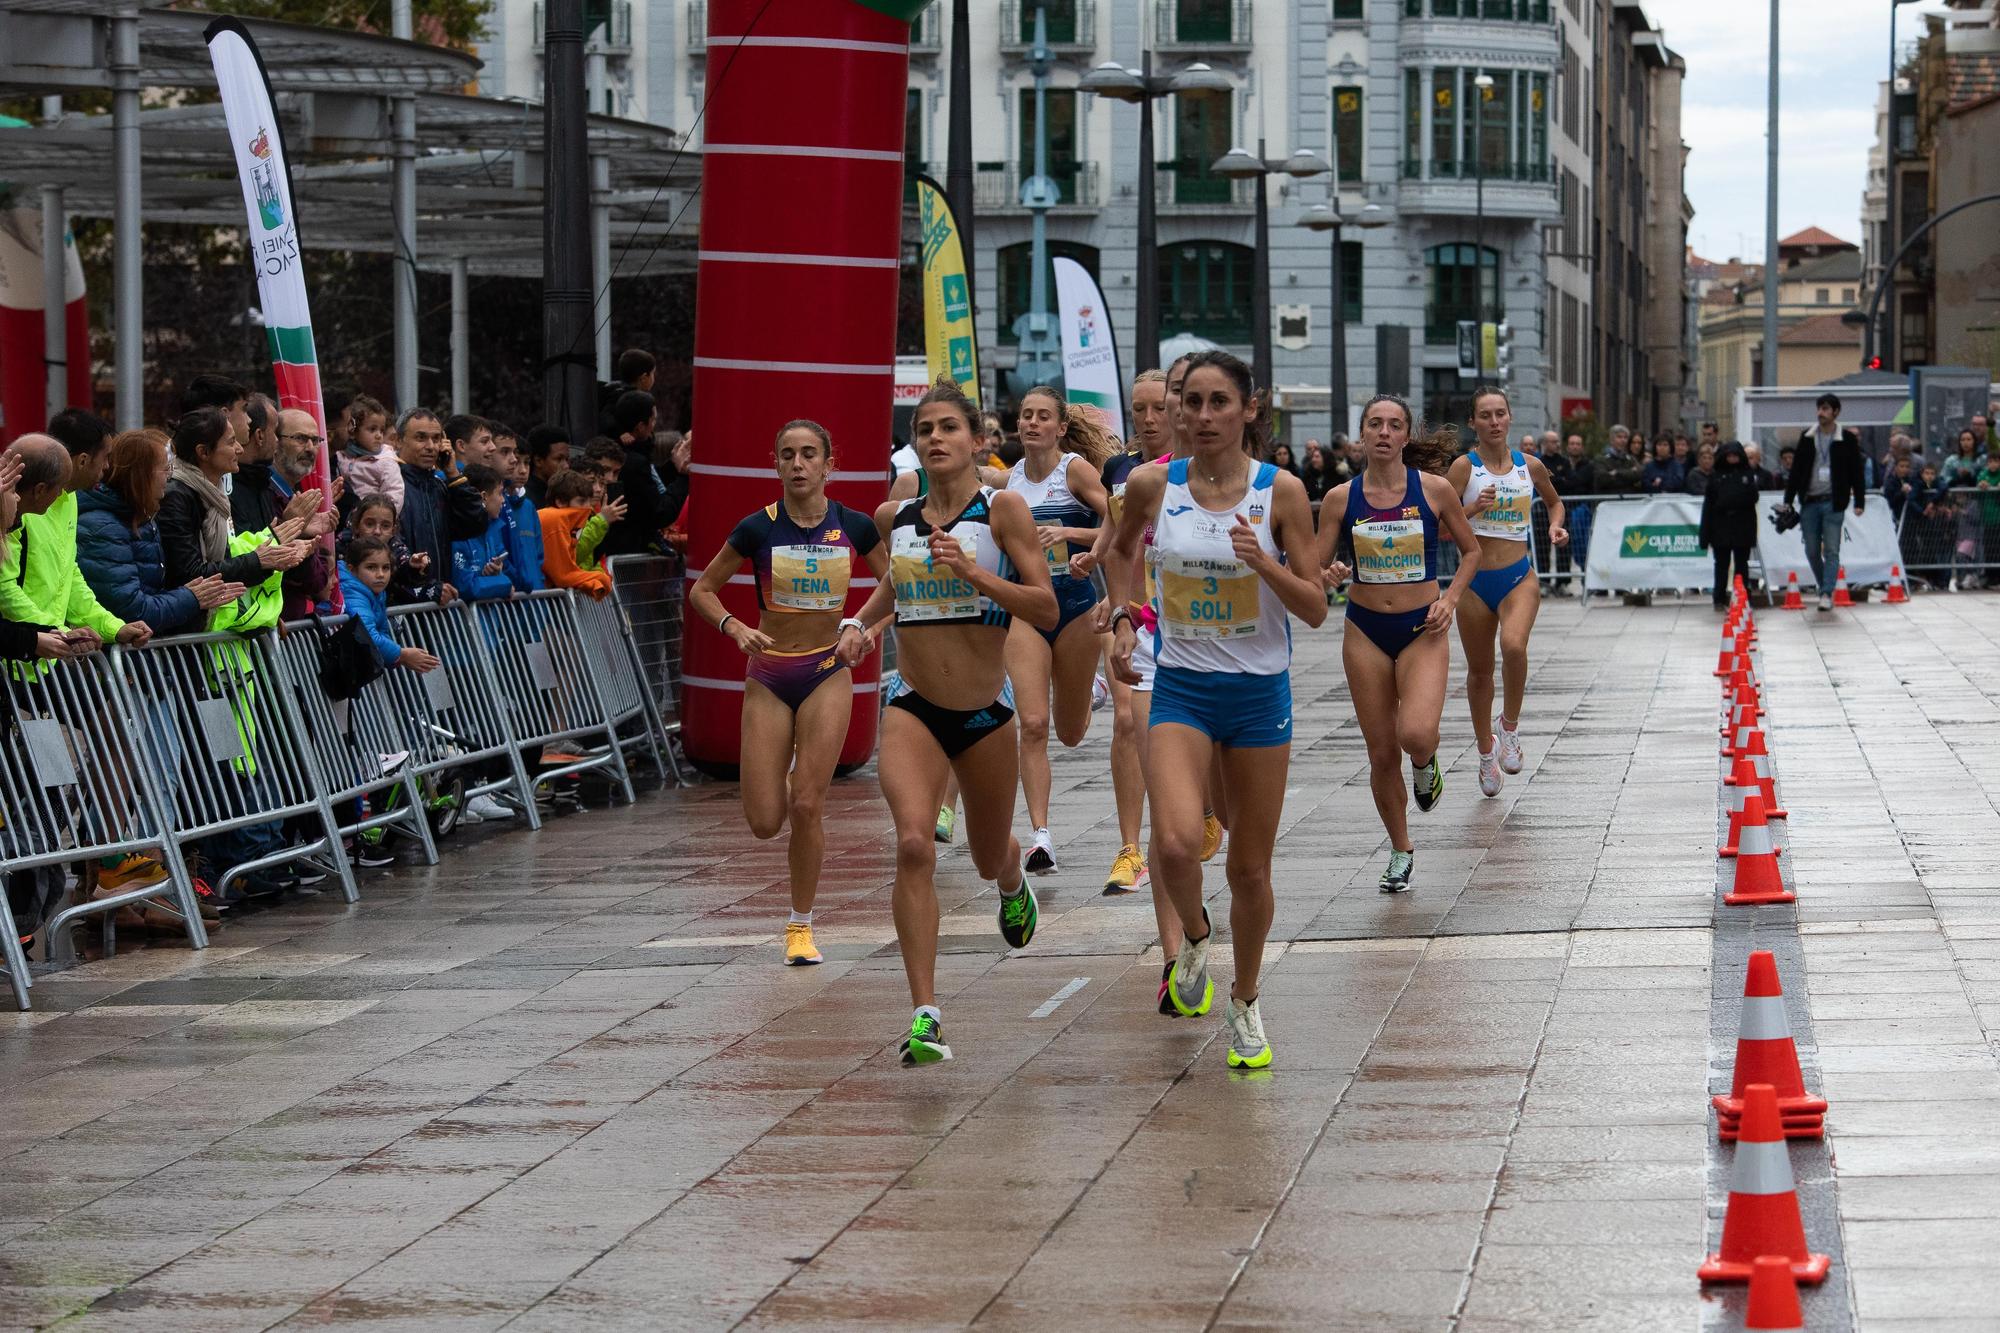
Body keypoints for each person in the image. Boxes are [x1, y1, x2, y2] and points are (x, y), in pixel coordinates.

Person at [1106, 350, 1328, 1070]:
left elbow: (1316, 607)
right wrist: (1124, 617)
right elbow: (1118, 553)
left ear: (1248, 409)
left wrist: (1265, 564)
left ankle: (1246, 999)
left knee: (1250, 870)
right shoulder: (1153, 484)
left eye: (1218, 402)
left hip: (1259, 696)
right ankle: (1195, 938)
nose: (1202, 416)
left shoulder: (1280, 492)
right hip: (1183, 688)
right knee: (1175, 844)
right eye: (1192, 402)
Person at [842, 378, 1058, 1065]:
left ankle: (1011, 881)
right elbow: (895, 584)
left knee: (989, 853)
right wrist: (860, 624)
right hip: (912, 704)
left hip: (985, 712)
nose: (935, 437)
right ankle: (926, 1014)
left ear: (976, 440)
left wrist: (974, 574)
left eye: (948, 427)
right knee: (914, 844)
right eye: (924, 429)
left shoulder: (1003, 510)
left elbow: (1045, 606)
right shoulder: (896, 516)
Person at [688, 421, 890, 967]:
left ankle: (800, 925)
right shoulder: (757, 527)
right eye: (787, 455)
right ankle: (775, 771)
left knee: (807, 803)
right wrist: (734, 626)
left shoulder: (855, 525)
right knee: (764, 822)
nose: (798, 464)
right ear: (775, 465)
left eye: (808, 454)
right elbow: (703, 590)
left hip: (826, 671)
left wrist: (864, 628)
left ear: (829, 464)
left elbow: (901, 585)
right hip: (770, 675)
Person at [1318, 397, 1479, 892]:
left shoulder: (1433, 489)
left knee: (1415, 733)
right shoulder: (1340, 498)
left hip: (1422, 629)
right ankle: (1400, 849)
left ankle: (1426, 763)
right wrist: (1329, 573)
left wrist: (1450, 599)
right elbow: (1312, 567)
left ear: (1406, 436)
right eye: (1375, 424)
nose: (1384, 432)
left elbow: (1472, 551)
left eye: (1394, 425)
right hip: (1365, 630)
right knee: (1382, 753)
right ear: (1362, 434)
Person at [1005, 383, 1115, 877]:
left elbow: (1121, 522)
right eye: (1026, 415)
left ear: (1061, 427)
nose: (1032, 423)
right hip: (1027, 610)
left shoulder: (1074, 471)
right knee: (1032, 724)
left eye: (1042, 416)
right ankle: (1041, 837)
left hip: (1074, 608)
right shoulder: (1008, 483)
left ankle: (1091, 689)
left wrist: (1071, 534)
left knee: (1070, 734)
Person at [1447, 387, 1566, 798]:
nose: (1494, 422)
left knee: (1514, 646)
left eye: (1500, 413)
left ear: (1510, 417)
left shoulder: (1529, 465)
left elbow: (1555, 503)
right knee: (1480, 672)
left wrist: (1555, 527)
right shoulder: (1463, 468)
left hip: (1518, 576)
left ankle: (1509, 727)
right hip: (1474, 582)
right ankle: (1486, 751)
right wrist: (1471, 509)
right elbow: (1439, 526)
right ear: (1473, 423)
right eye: (1485, 415)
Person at [1093, 369, 1171, 894]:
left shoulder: (1193, 469)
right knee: (1127, 723)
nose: (1148, 419)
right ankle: (1131, 849)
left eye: (1158, 408)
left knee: (1188, 733)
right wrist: (1097, 565)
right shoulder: (1119, 468)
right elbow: (1115, 534)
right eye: (1138, 409)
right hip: (1132, 616)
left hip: (1187, 619)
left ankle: (1200, 809)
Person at [1, 415, 152, 658]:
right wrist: (54, 634)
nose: (107, 467)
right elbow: (5, 591)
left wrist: (111, 627)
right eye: (106, 457)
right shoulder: (20, 509)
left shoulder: (68, 499)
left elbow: (68, 574)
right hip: (20, 658)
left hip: (45, 656)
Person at [77, 429, 245, 637]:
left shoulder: (142, 518)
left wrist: (192, 597)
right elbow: (132, 611)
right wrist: (190, 598)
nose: (169, 477)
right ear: (141, 475)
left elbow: (152, 593)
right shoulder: (104, 528)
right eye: (165, 469)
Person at [394, 408, 486, 605]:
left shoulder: (440, 486)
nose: (431, 446)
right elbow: (387, 549)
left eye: (436, 439)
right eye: (421, 438)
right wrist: (426, 591)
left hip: (437, 605)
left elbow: (476, 523)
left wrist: (453, 474)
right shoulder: (390, 485)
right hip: (403, 606)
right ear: (398, 440)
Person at [1784, 392, 1866, 610]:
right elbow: (1797, 470)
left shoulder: (1846, 439)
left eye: (1826, 408)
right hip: (1809, 500)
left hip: (1833, 502)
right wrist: (1788, 499)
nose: (1820, 412)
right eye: (1819, 408)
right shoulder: (1807, 437)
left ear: (1836, 412)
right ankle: (1824, 586)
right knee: (1811, 550)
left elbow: (1856, 471)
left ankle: (1827, 592)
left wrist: (1859, 501)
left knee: (1831, 549)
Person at [601, 392, 691, 557]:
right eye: (653, 420)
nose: (654, 426)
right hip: (627, 551)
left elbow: (650, 486)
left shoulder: (632, 455)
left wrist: (674, 465)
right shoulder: (634, 462)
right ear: (640, 426)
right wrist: (683, 477)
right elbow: (659, 512)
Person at [1700, 442, 1762, 609]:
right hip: (1721, 525)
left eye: (1735, 455)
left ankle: (1742, 596)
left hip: (1742, 525)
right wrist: (1705, 535)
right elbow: (1709, 505)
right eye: (1729, 456)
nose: (1733, 459)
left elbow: (1753, 498)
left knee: (1742, 564)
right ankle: (1719, 598)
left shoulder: (1747, 475)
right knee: (1721, 564)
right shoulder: (1716, 476)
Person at [538, 469, 618, 598]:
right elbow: (563, 574)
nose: (588, 507)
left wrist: (594, 577)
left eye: (589, 501)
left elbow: (574, 564)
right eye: (581, 501)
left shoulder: (567, 522)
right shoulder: (553, 519)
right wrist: (599, 579)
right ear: (560, 502)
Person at [449, 465, 515, 602]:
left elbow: (481, 579)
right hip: (466, 615)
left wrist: (496, 574)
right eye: (500, 493)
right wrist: (504, 584)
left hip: (488, 615)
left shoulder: (491, 529)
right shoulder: (458, 535)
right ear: (483, 497)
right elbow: (466, 587)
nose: (503, 500)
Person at [341, 394, 402, 513]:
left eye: (382, 430)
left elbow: (395, 495)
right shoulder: (342, 454)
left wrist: (384, 517)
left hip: (373, 518)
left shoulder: (386, 461)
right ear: (353, 431)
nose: (379, 435)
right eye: (372, 429)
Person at [524, 425, 571, 509]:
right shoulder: (524, 499)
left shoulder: (567, 492)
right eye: (559, 459)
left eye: (567, 459)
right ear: (538, 461)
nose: (566, 466)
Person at [1299, 440, 1336, 504]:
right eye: (1313, 457)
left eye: (1317, 457)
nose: (1313, 459)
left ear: (1325, 458)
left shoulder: (1336, 475)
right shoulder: (1308, 475)